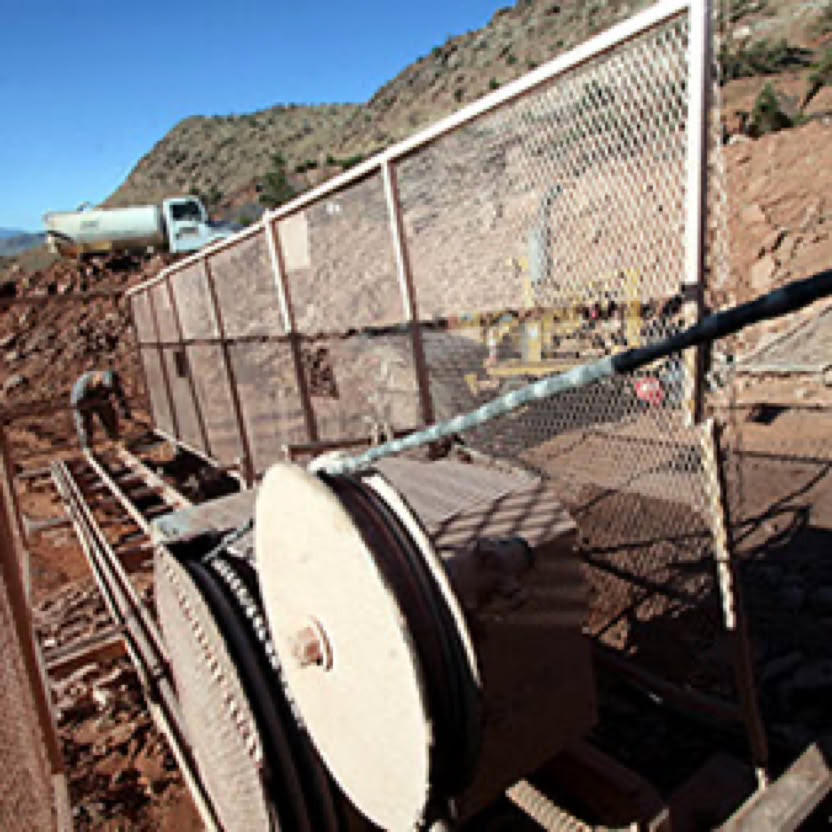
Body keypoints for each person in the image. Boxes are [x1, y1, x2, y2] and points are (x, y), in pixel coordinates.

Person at [71, 369, 131, 450]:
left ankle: (115, 439)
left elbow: (120, 396)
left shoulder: (112, 382)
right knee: (84, 424)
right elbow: (77, 404)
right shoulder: (83, 385)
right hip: (83, 401)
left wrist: (124, 410)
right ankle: (87, 447)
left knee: (110, 417)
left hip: (101, 399)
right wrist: (90, 402)